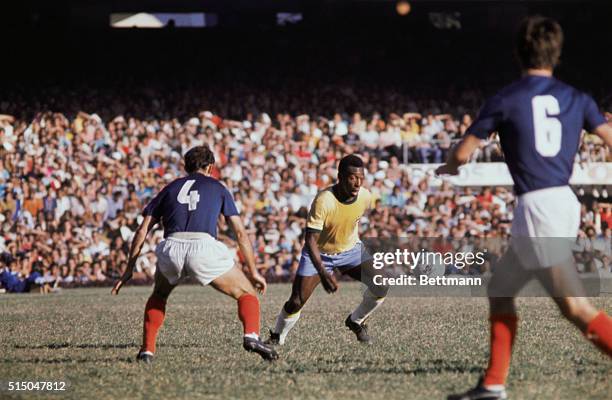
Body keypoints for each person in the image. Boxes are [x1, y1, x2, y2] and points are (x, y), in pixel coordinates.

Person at [437, 16, 612, 400]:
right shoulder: (577, 97)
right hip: (562, 201)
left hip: (539, 207)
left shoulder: (505, 98)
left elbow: (463, 154)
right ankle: (493, 386)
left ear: (518, 53)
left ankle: (494, 386)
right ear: (558, 53)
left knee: (576, 309)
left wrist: (449, 165)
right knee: (500, 288)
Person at [111, 145, 278, 363]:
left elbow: (142, 230)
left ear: (186, 166)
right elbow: (240, 233)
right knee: (247, 293)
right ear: (210, 167)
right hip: (203, 247)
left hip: (172, 247)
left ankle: (147, 351)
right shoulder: (218, 187)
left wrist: (128, 269)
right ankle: (251, 336)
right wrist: (254, 272)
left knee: (159, 295)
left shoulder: (170, 188)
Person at [268, 154, 389, 345]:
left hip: (351, 251)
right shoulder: (324, 200)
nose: (358, 183)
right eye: (352, 177)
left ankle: (355, 321)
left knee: (381, 284)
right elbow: (310, 240)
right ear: (340, 177)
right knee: (296, 302)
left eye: (361, 178)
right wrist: (324, 273)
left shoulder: (365, 196)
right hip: (320, 254)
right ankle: (277, 337)